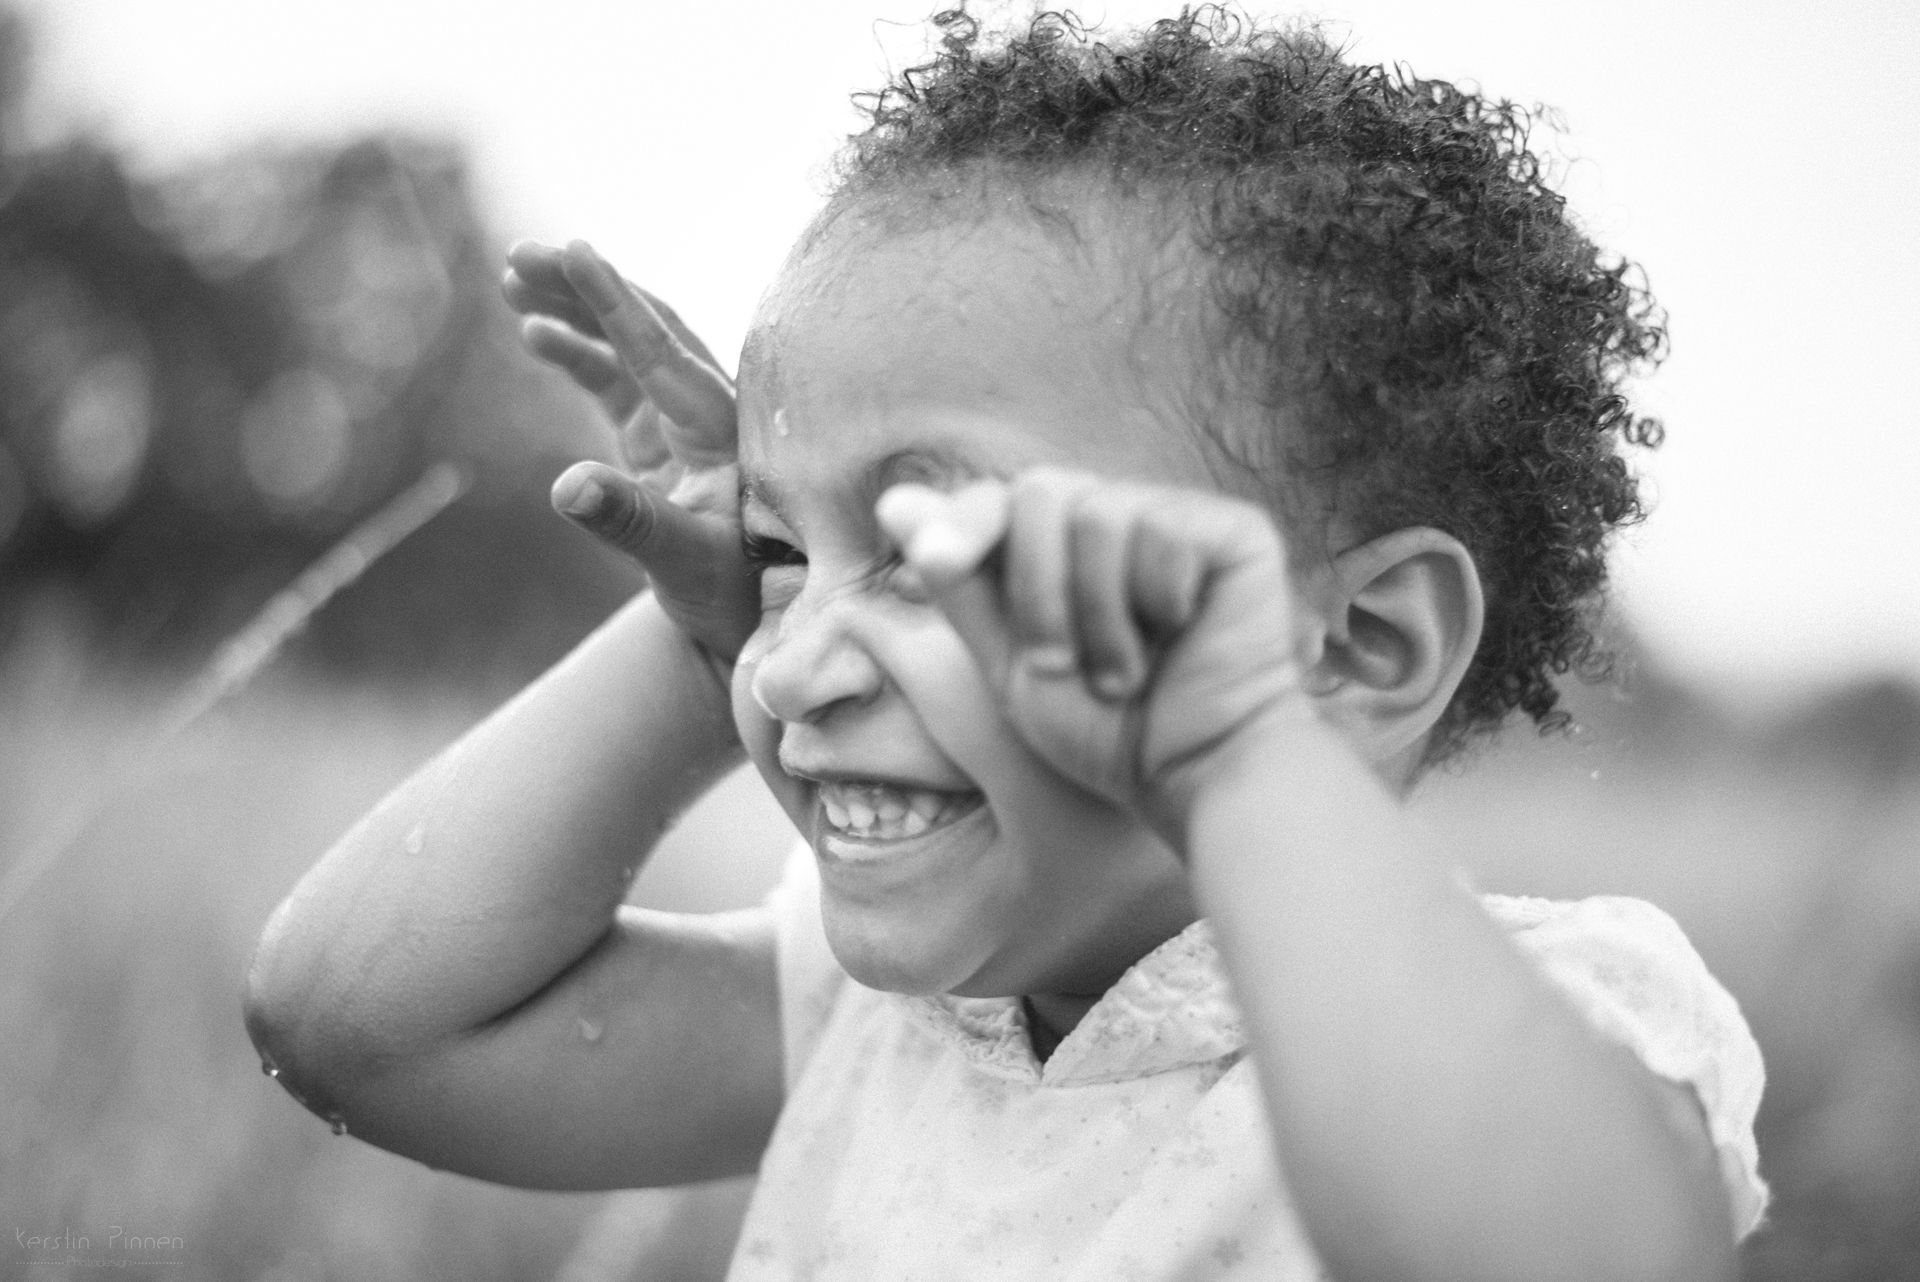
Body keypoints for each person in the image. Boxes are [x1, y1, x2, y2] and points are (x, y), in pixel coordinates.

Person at [244, 9, 1767, 1279]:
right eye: (787, 557)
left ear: (1356, 644)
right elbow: (356, 1023)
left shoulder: (1537, 1023)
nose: (795, 666)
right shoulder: (887, 1020)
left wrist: (1238, 759)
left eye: (930, 549)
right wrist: (695, 642)